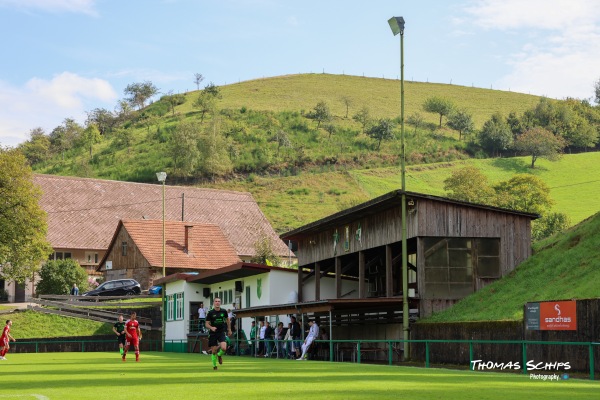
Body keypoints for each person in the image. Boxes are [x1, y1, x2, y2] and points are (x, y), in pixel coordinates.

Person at [205, 297, 231, 370]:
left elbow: (228, 320)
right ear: (213, 303)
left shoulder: (224, 311)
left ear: (220, 303)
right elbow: (206, 324)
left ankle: (219, 355)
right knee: (213, 351)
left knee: (224, 348)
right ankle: (214, 366)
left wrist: (229, 329)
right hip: (213, 333)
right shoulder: (210, 313)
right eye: (216, 301)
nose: (217, 302)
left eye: (219, 301)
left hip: (221, 332)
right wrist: (211, 327)